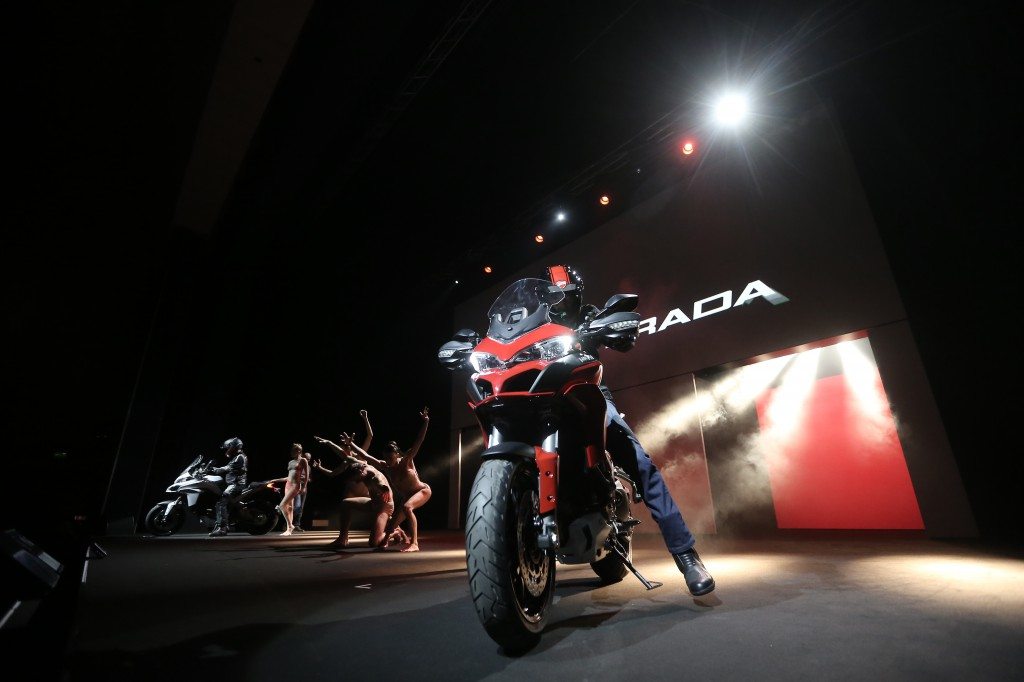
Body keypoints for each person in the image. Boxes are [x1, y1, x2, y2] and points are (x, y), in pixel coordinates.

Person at [549, 264, 715, 595]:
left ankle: (686, 555)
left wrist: (609, 327)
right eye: (553, 297)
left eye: (564, 296)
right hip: (544, 397)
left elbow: (621, 338)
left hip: (587, 393)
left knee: (639, 461)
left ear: (576, 296)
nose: (559, 303)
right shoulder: (538, 326)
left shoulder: (589, 315)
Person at [342, 407, 431, 551]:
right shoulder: (385, 466)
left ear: (397, 455)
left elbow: (418, 441)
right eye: (386, 458)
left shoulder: (406, 461)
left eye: (390, 458)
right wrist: (351, 444)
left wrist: (426, 422)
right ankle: (391, 536)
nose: (388, 461)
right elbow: (366, 456)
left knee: (407, 508)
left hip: (422, 491)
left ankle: (414, 543)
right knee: (391, 527)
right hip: (407, 497)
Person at [312, 435, 394, 548]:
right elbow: (342, 454)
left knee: (374, 543)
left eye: (357, 479)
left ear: (361, 471)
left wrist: (384, 489)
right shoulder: (356, 463)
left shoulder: (374, 477)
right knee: (346, 503)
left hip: (383, 507)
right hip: (372, 503)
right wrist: (329, 442)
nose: (356, 482)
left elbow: (381, 483)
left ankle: (394, 532)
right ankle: (343, 538)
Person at [208, 436, 248, 537]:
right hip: (233, 484)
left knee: (221, 502)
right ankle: (223, 523)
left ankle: (222, 528)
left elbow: (228, 468)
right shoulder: (238, 456)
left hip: (236, 485)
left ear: (233, 447)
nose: (227, 450)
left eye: (228, 448)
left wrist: (214, 470)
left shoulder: (240, 457)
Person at [269, 443, 309, 535]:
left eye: (293, 450)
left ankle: (290, 526)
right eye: (291, 450)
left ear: (299, 451)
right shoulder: (290, 462)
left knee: (282, 505)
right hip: (288, 485)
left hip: (295, 485)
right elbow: (288, 477)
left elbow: (306, 476)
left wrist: (303, 487)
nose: (291, 452)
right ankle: (288, 530)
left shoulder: (303, 460)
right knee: (289, 507)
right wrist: (275, 480)